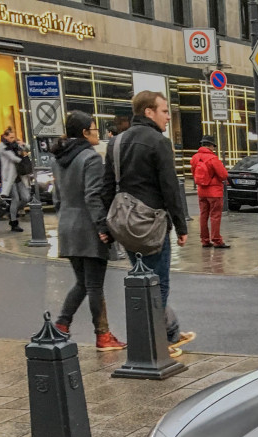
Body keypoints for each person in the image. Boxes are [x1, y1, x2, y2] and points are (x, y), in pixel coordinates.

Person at [104, 90, 195, 357]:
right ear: (149, 112)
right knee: (158, 283)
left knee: (142, 277)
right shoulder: (158, 142)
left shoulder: (116, 142)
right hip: (152, 223)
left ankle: (169, 332)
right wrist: (181, 226)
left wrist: (104, 226)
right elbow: (170, 188)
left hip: (125, 224)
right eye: (165, 111)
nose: (168, 117)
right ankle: (157, 341)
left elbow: (106, 186)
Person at [50, 111, 126, 352]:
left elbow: (57, 197)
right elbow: (93, 195)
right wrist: (102, 226)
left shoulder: (59, 158)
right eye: (94, 129)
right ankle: (102, 335)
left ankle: (61, 324)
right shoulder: (90, 158)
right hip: (88, 227)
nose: (98, 133)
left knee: (82, 282)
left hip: (67, 226)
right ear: (84, 132)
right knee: (93, 285)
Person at [190, 135, 230, 248]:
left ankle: (204, 240)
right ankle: (217, 240)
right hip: (214, 192)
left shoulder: (195, 158)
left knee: (203, 215)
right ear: (211, 146)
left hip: (201, 190)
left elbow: (193, 173)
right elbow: (223, 175)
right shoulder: (212, 158)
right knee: (215, 216)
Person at [0, 127, 29, 232]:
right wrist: (23, 158)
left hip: (19, 175)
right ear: (5, 136)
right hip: (10, 176)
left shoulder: (15, 145)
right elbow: (12, 157)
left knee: (26, 197)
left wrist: (22, 144)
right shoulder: (2, 146)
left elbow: (28, 148)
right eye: (11, 137)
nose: (12, 139)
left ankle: (11, 211)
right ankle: (14, 221)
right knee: (15, 199)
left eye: (13, 137)